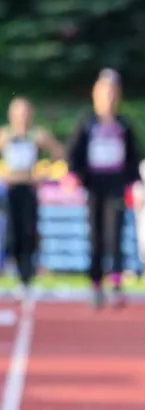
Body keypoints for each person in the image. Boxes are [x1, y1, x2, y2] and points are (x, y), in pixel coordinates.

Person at [66, 69, 144, 310]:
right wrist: (73, 175)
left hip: (116, 185)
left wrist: (137, 183)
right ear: (95, 94)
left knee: (116, 234)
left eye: (112, 92)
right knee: (96, 236)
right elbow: (74, 153)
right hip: (94, 186)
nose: (108, 97)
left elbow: (133, 157)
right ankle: (96, 284)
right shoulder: (87, 123)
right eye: (104, 92)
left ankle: (117, 282)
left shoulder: (123, 125)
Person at [0, 96, 64, 300]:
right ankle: (15, 274)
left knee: (29, 234)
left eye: (25, 113)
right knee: (12, 235)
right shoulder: (5, 135)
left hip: (29, 190)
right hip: (10, 191)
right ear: (11, 115)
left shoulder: (37, 136)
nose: (22, 118)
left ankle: (26, 279)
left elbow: (59, 152)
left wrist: (44, 172)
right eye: (18, 113)